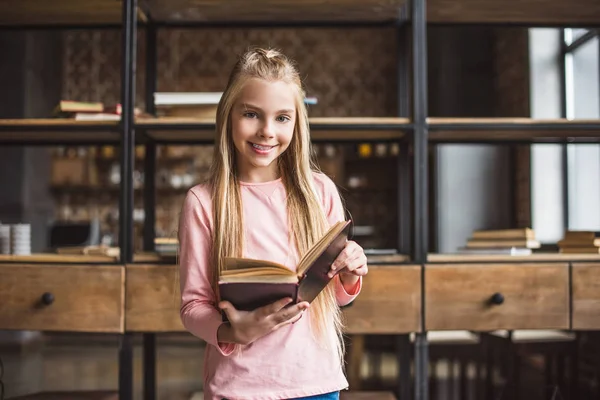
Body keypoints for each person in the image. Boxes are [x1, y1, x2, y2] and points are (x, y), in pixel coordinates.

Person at [178, 47, 369, 400]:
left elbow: (336, 298)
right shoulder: (203, 202)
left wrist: (349, 273)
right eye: (252, 114)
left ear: (297, 124)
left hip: (316, 383)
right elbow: (192, 308)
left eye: (282, 118)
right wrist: (232, 332)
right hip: (238, 388)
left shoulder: (320, 191)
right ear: (228, 116)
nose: (267, 131)